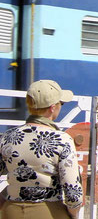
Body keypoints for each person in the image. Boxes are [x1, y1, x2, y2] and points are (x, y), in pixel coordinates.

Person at [0, 80, 83, 219]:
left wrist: (4, 201)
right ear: (52, 108)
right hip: (49, 211)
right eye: (60, 104)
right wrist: (72, 214)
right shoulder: (62, 140)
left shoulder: (8, 137)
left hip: (10, 211)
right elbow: (73, 194)